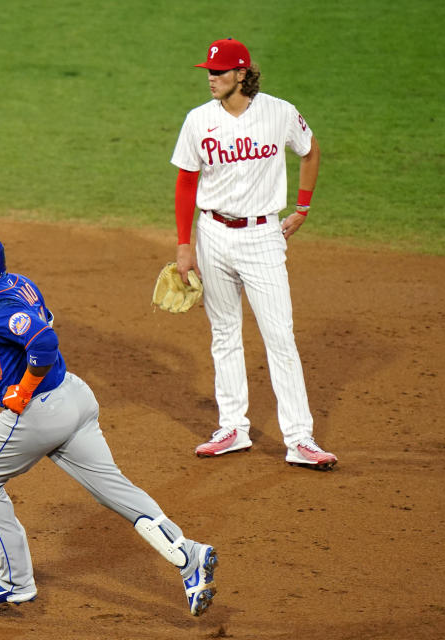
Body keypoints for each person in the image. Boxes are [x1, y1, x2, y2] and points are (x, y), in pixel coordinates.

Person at [0, 231, 218, 616]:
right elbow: (34, 325)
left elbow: (44, 344)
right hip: (76, 398)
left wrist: (22, 390)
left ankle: (14, 583)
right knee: (114, 489)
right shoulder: (18, 284)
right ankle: (189, 556)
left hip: (41, 411)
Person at [169, 37, 338, 470]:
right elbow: (187, 182)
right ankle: (232, 428)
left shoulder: (279, 112)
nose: (211, 79)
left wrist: (302, 207)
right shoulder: (198, 120)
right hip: (212, 235)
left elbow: (310, 149)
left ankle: (299, 438)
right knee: (224, 333)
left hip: (263, 236)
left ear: (242, 74)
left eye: (219, 72)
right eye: (208, 71)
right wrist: (184, 246)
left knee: (279, 337)